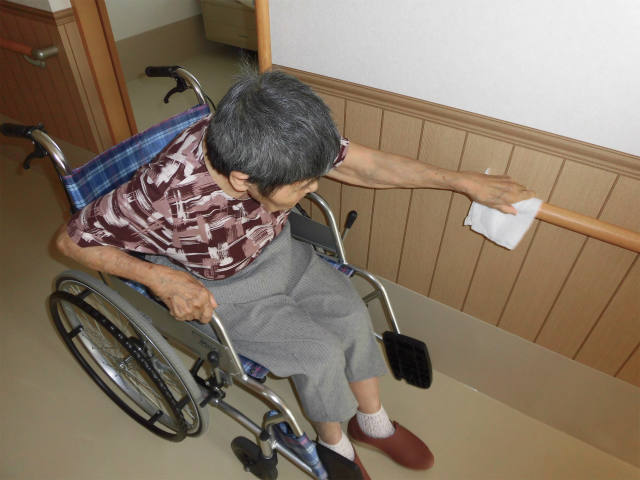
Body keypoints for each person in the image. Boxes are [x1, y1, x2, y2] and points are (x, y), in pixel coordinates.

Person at [55, 68, 532, 479]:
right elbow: (71, 241)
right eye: (302, 185)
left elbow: (366, 166)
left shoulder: (276, 138)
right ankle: (333, 445)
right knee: (318, 354)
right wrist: (160, 279)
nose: (315, 187)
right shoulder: (162, 192)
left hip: (282, 255)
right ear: (242, 179)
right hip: (225, 291)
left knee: (350, 313)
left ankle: (373, 423)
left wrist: (459, 181)